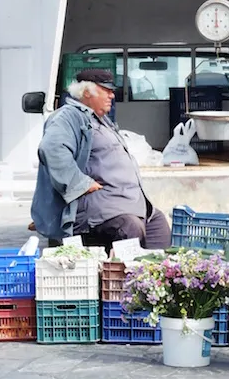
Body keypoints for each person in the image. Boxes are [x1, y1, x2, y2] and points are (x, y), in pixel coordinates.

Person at [30, 68, 171, 251]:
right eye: (107, 90)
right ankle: (120, 278)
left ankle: (149, 279)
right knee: (129, 227)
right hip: (105, 207)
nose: (112, 96)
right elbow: (52, 148)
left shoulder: (101, 119)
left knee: (159, 231)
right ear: (87, 91)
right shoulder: (69, 116)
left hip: (132, 202)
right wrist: (79, 183)